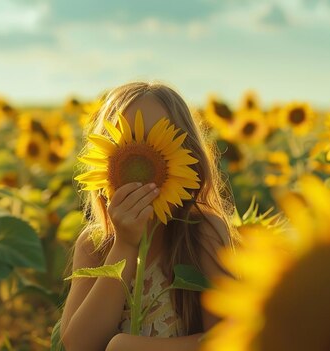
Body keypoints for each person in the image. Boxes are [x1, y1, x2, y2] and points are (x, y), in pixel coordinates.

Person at [60, 81, 238, 351]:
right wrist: (125, 244)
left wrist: (130, 347)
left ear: (186, 155)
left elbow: (231, 337)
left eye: (157, 140)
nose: (139, 164)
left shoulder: (201, 232)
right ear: (107, 158)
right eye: (127, 144)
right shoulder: (95, 243)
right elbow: (79, 344)